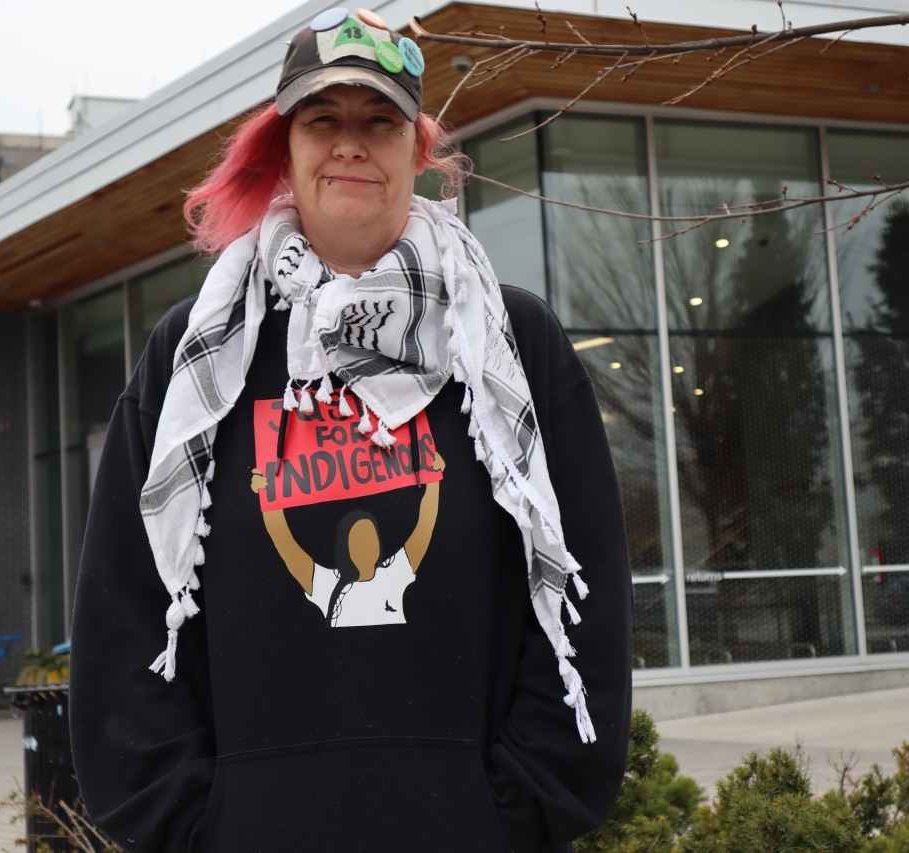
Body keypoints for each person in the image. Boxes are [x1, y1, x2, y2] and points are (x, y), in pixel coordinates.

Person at [70, 9, 633, 851]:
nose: (350, 144)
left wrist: (514, 811)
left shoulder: (509, 341)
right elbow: (124, 606)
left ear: (419, 150)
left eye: (379, 121)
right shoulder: (197, 355)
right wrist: (195, 827)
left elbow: (587, 587)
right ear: (283, 153)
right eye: (321, 120)